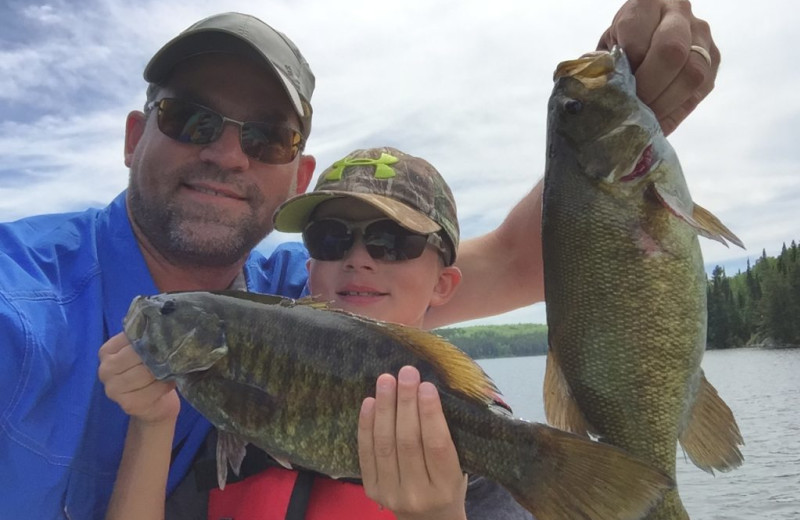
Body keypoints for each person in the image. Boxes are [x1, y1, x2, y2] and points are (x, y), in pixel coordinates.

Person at [0, 2, 721, 517]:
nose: (225, 152)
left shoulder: (303, 307)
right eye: (190, 119)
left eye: (266, 138)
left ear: (297, 174)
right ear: (133, 137)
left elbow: (519, 258)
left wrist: (622, 112)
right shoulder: (20, 305)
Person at [102, 146, 533, 519]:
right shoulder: (226, 414)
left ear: (443, 284)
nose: (359, 259)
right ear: (311, 274)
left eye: (391, 241)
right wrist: (152, 422)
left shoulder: (480, 445)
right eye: (331, 238)